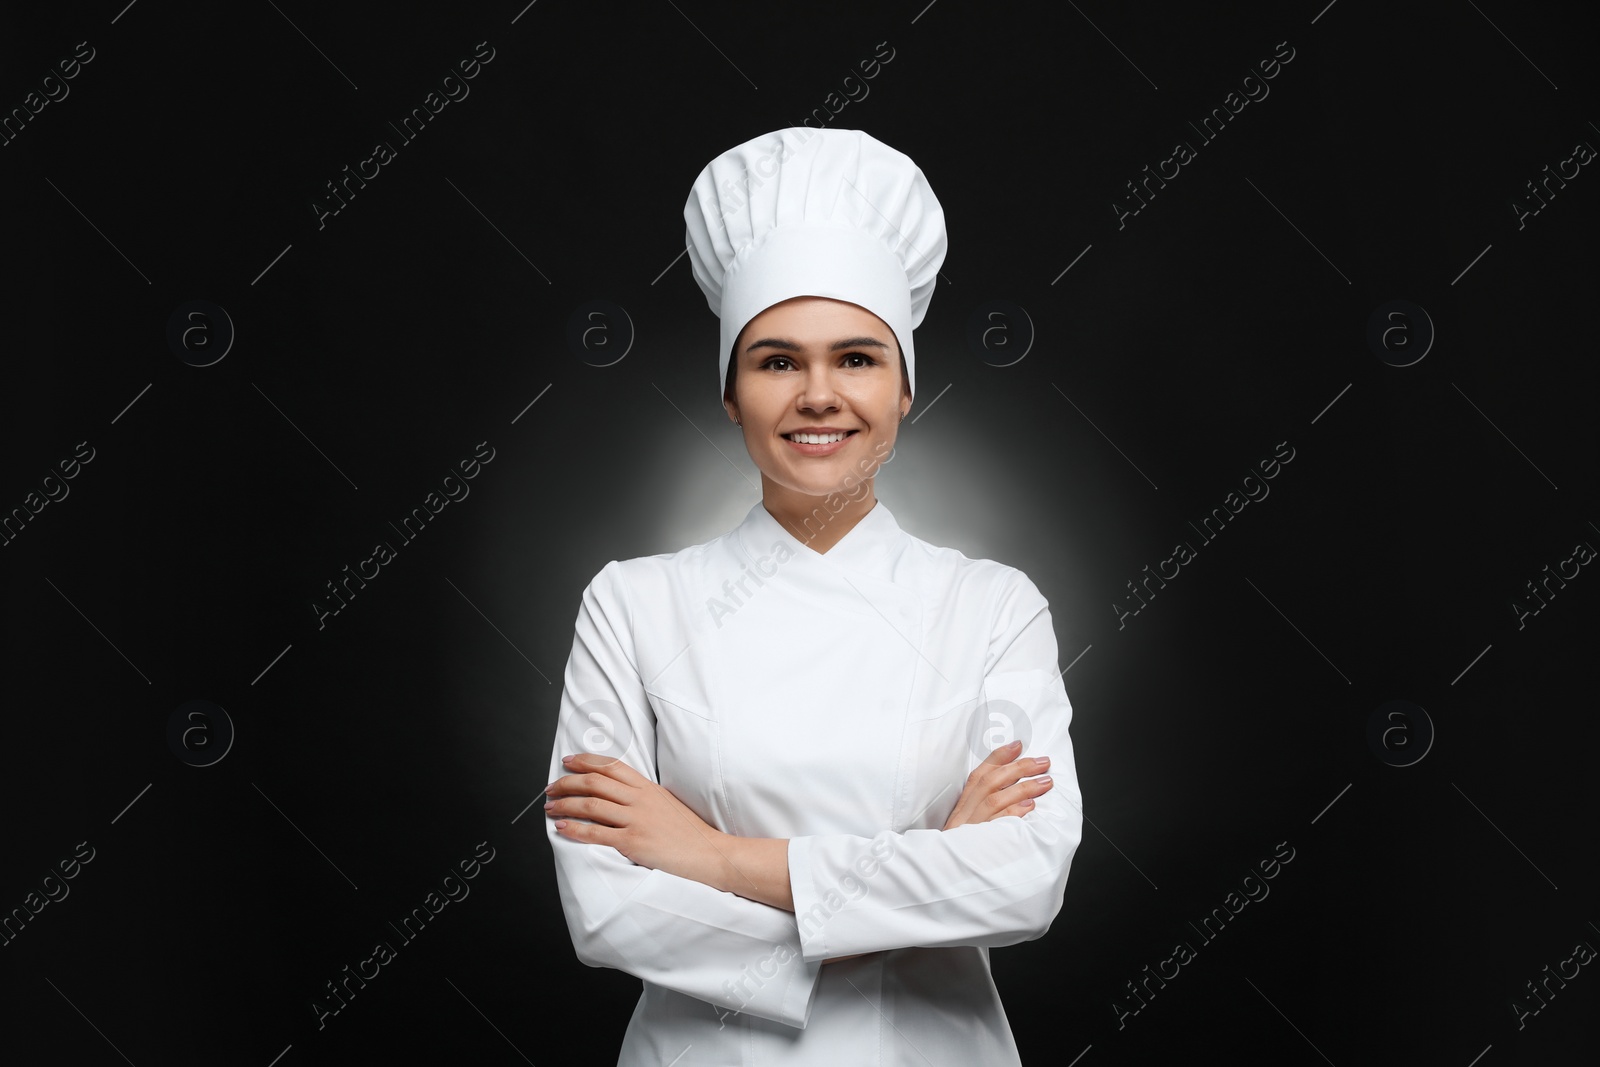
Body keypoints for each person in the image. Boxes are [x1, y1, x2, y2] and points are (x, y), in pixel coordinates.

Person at [543, 126, 1084, 1065]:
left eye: (859, 358)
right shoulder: (632, 605)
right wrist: (922, 881)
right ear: (730, 393)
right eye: (778, 360)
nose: (819, 395)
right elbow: (606, 904)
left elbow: (1025, 880)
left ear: (906, 389)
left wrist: (712, 858)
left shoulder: (992, 608)